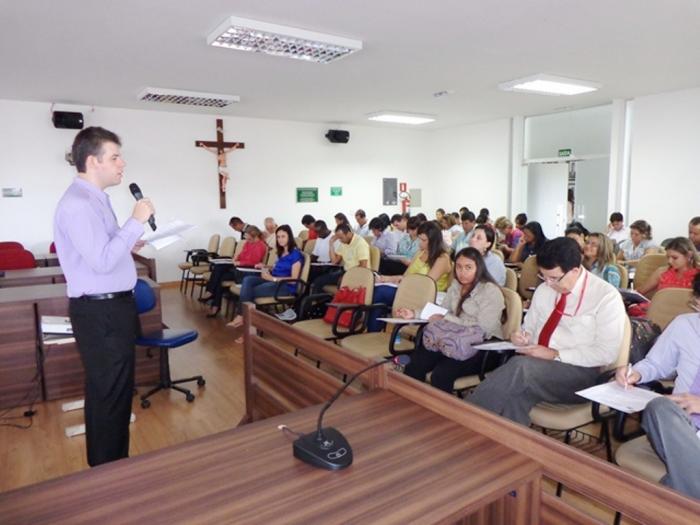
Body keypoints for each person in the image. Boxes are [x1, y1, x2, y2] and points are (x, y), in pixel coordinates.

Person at [53, 126, 155, 466]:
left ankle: (112, 468)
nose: (122, 163)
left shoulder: (95, 200)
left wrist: (130, 240)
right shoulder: (79, 204)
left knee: (113, 392)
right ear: (93, 161)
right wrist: (135, 222)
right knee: (109, 394)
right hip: (102, 313)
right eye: (115, 157)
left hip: (112, 309)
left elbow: (105, 251)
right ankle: (108, 473)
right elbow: (101, 261)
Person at [469, 237, 626, 425]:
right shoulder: (545, 289)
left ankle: (463, 418)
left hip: (583, 374)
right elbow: (529, 328)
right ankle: (513, 449)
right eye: (544, 276)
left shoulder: (605, 297)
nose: (548, 284)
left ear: (575, 270)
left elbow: (606, 353)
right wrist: (522, 337)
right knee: (516, 395)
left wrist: (555, 354)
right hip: (539, 369)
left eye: (554, 278)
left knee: (521, 367)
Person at [614, 273, 700, 499]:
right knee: (659, 407)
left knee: (678, 481)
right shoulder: (685, 325)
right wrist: (636, 373)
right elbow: (656, 363)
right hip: (677, 424)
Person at [403, 248, 504, 393]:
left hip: (482, 346)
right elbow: (442, 311)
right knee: (415, 364)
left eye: (468, 267)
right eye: (459, 267)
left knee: (441, 374)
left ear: (479, 268)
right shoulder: (456, 285)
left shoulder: (490, 291)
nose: (462, 272)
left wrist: (448, 318)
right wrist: (414, 313)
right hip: (453, 339)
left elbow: (484, 327)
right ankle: (412, 403)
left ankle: (440, 413)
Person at [367, 221, 452, 331]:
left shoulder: (442, 258)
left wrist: (397, 281)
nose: (420, 243)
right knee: (376, 289)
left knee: (381, 292)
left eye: (423, 240)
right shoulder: (420, 253)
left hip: (426, 295)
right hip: (410, 289)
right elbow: (406, 276)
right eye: (419, 239)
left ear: (434, 241)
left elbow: (426, 285)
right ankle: (374, 329)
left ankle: (372, 330)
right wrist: (386, 278)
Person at [228, 225, 304, 331]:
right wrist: (265, 266)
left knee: (249, 292)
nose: (280, 239)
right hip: (273, 279)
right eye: (278, 237)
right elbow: (277, 268)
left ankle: (245, 323)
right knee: (248, 280)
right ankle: (244, 320)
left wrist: (272, 279)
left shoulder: (296, 255)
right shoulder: (281, 252)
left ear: (289, 237)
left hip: (284, 286)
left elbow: (293, 279)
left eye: (283, 236)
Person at [202, 225, 267, 317]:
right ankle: (215, 304)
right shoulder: (248, 243)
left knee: (219, 268)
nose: (247, 240)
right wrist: (236, 259)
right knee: (220, 276)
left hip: (247, 271)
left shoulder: (261, 245)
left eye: (248, 237)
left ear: (255, 236)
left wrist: (240, 263)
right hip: (238, 269)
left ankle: (211, 295)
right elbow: (241, 255)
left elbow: (254, 262)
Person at [310, 222, 369, 293]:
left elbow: (363, 266)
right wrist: (331, 244)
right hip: (345, 272)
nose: (340, 240)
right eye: (338, 238)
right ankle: (318, 303)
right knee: (318, 281)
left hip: (357, 275)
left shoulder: (360, 243)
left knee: (337, 283)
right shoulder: (344, 243)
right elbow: (334, 261)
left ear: (348, 234)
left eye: (341, 238)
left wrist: (347, 276)